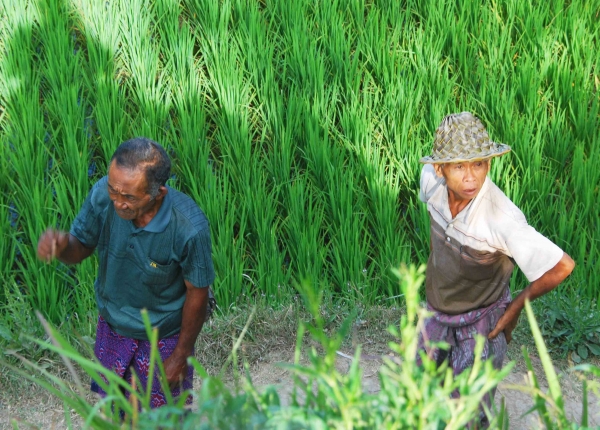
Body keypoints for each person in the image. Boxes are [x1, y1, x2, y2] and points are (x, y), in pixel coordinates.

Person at [417, 112, 575, 425]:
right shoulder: (430, 183)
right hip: (437, 312)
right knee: (419, 391)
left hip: (480, 321)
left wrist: (515, 308)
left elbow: (562, 265)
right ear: (439, 168)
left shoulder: (501, 219)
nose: (471, 177)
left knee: (467, 411)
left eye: (479, 163)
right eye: (459, 165)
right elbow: (438, 239)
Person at [37, 137, 215, 408]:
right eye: (114, 190)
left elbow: (197, 293)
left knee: (164, 420)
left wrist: (181, 356)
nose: (118, 202)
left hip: (163, 336)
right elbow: (81, 246)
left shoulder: (189, 228)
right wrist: (62, 247)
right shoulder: (103, 196)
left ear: (158, 193)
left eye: (129, 197)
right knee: (112, 412)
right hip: (113, 328)